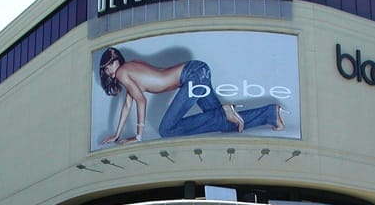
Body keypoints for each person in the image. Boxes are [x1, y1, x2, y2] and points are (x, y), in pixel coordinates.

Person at [99, 47, 286, 144]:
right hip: (198, 71)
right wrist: (117, 134)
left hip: (192, 75)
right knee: (227, 124)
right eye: (106, 69)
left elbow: (141, 101)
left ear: (117, 61)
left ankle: (225, 110)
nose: (109, 71)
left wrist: (138, 135)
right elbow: (127, 105)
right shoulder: (130, 68)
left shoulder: (123, 72)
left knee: (166, 129)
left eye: (110, 65)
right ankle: (270, 114)